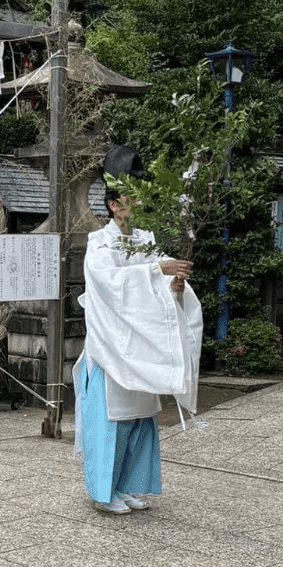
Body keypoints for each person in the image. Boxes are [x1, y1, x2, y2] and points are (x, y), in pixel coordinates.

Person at [73, 189, 201, 515]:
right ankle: (104, 493)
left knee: (140, 419)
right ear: (114, 205)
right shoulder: (99, 242)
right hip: (110, 347)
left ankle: (126, 486)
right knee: (112, 422)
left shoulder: (145, 240)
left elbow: (158, 279)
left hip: (141, 346)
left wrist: (172, 286)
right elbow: (108, 283)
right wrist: (158, 271)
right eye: (132, 198)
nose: (140, 203)